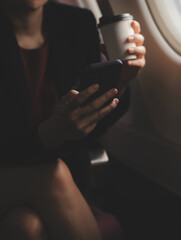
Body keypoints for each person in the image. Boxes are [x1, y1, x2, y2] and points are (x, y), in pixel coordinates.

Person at [0, 0, 146, 239]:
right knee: (49, 174)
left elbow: (89, 130)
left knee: (25, 227)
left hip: (58, 188)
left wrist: (119, 83)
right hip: (27, 179)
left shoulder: (77, 22)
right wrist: (48, 134)